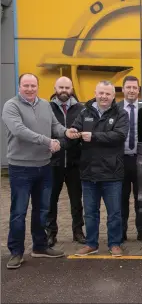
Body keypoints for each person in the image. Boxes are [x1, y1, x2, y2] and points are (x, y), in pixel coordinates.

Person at [2, 73, 79, 269]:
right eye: (25, 85)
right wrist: (47, 141)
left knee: (42, 210)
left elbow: (54, 126)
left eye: (33, 85)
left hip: (44, 166)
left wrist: (66, 132)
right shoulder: (11, 106)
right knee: (19, 212)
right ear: (19, 86)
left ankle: (40, 246)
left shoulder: (45, 104)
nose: (29, 89)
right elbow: (19, 130)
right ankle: (16, 252)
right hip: (20, 167)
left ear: (38, 86)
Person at [71, 81, 129, 257]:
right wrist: (72, 132)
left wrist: (94, 136)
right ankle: (91, 244)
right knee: (90, 212)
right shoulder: (84, 112)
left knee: (114, 213)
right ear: (95, 93)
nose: (104, 96)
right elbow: (76, 129)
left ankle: (114, 244)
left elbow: (119, 136)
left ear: (113, 96)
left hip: (112, 172)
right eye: (101, 93)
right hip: (89, 172)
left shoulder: (121, 113)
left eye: (108, 94)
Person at [46, 76, 86, 247]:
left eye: (67, 87)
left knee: (77, 201)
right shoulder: (46, 109)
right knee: (50, 201)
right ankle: (50, 233)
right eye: (60, 87)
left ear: (72, 89)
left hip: (74, 164)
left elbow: (79, 134)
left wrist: (62, 142)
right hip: (52, 163)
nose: (64, 90)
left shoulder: (81, 109)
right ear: (55, 88)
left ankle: (78, 232)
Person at [118, 75, 142, 243]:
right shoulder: (116, 109)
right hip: (121, 160)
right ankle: (121, 231)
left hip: (141, 160)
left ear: (139, 90)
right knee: (121, 198)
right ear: (123, 89)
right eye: (128, 87)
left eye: (134, 88)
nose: (131, 90)